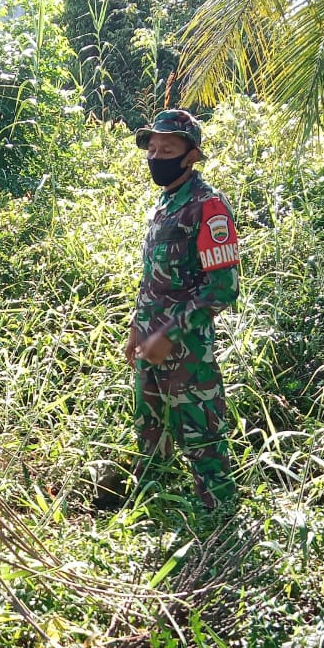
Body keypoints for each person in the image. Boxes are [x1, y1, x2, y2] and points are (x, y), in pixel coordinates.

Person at [123, 109, 239, 510]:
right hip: (150, 345)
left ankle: (220, 520)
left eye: (167, 149)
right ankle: (150, 514)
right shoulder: (164, 203)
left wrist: (168, 334)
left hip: (188, 351)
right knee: (149, 432)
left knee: (202, 440)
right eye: (152, 149)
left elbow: (222, 289)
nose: (156, 157)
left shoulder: (208, 207)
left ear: (191, 156)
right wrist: (137, 327)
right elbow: (152, 278)